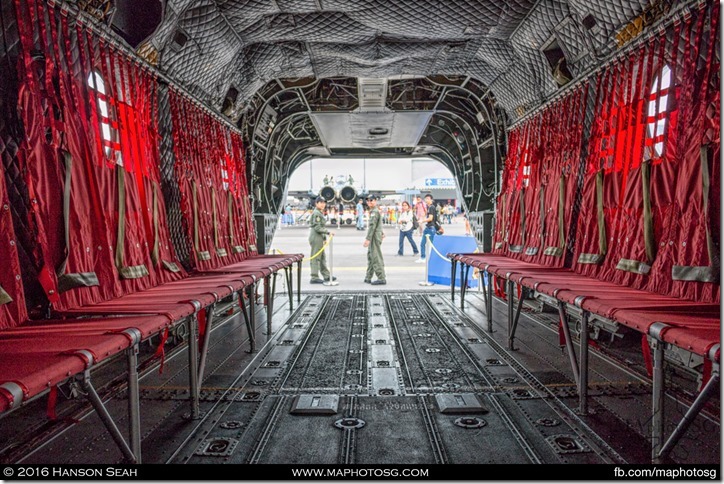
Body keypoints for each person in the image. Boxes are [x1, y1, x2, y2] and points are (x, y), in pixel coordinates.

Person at [308, 197, 336, 284]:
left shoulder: (319, 212)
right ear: (316, 203)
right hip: (316, 236)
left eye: (324, 202)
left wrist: (324, 238)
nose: (323, 204)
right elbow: (317, 227)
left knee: (322, 257)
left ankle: (326, 275)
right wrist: (328, 232)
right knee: (316, 257)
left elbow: (320, 227)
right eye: (321, 202)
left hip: (319, 236)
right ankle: (314, 277)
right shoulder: (317, 213)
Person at [363, 195, 386, 285]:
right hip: (376, 235)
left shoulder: (374, 212)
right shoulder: (374, 211)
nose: (369, 202)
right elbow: (377, 224)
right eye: (368, 201)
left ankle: (381, 277)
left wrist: (368, 239)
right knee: (371, 256)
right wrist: (382, 232)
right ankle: (368, 276)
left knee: (376, 256)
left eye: (371, 200)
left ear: (375, 201)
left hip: (374, 237)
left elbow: (372, 227)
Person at [416, 194, 438, 263]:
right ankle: (423, 257)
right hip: (428, 227)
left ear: (431, 200)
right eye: (426, 198)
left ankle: (431, 258)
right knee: (423, 243)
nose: (426, 200)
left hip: (431, 228)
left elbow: (430, 218)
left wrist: (422, 221)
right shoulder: (429, 207)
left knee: (432, 244)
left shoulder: (431, 207)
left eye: (428, 198)